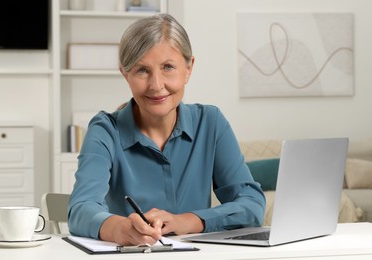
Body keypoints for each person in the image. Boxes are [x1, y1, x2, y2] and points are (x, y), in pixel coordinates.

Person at [68, 13, 266, 246]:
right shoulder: (104, 130)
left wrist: (188, 221)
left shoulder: (211, 122)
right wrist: (121, 229)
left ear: (189, 68)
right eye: (142, 70)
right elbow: (81, 209)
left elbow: (251, 204)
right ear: (125, 74)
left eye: (168, 67)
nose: (156, 85)